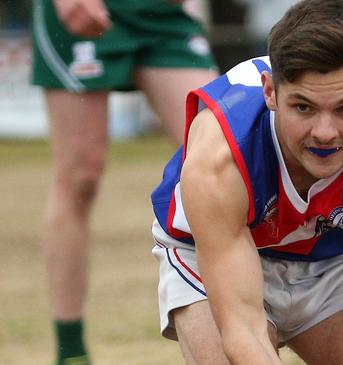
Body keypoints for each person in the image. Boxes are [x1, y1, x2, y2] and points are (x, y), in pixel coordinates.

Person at [150, 0, 343, 363]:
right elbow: (243, 328)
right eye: (303, 107)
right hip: (209, 253)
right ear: (270, 92)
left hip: (338, 257)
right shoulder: (221, 158)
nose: (324, 133)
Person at [31, 0, 218, 363]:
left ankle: (256, 320)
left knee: (221, 154)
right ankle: (71, 351)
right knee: (80, 176)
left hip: (160, 12)